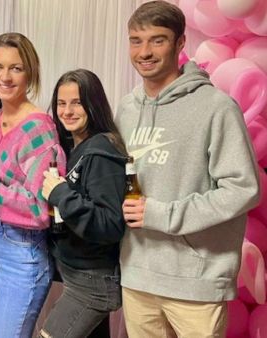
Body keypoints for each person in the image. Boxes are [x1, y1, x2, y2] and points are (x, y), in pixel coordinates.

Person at [116, 1, 260, 337]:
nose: (144, 51)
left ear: (181, 43)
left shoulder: (216, 107)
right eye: (136, 40)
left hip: (196, 280)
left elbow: (243, 188)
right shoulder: (126, 108)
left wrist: (162, 214)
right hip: (137, 274)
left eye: (157, 40)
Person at [0, 32, 66, 338]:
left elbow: (39, 209)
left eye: (16, 68)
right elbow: (1, 177)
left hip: (22, 251)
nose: (5, 77)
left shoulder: (39, 129)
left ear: (30, 73)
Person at [39, 69, 127, 338]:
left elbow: (110, 224)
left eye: (77, 102)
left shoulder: (102, 151)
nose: (67, 111)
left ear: (94, 103)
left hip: (92, 283)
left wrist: (60, 193)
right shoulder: (74, 147)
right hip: (77, 273)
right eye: (61, 103)